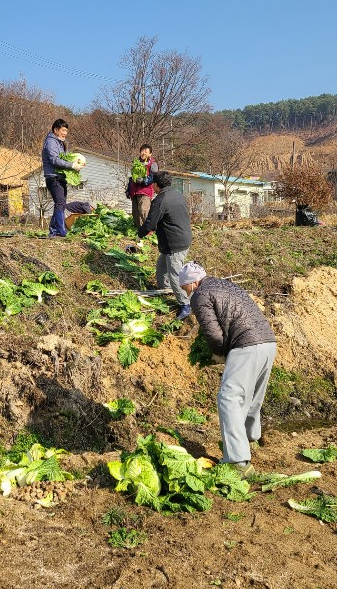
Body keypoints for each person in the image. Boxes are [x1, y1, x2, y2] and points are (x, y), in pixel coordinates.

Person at [178, 261, 276, 477]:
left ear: (192, 283)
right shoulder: (225, 285)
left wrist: (220, 353)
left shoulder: (200, 295)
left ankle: (238, 461)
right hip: (268, 342)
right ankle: (251, 438)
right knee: (251, 395)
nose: (185, 292)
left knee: (228, 397)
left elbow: (212, 333)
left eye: (184, 287)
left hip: (246, 345)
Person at [137, 170, 192, 320]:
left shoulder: (161, 200)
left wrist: (139, 235)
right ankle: (165, 289)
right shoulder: (177, 195)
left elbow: (150, 224)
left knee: (175, 275)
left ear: (155, 184)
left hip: (175, 243)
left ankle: (185, 305)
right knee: (162, 266)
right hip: (182, 238)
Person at [41, 118, 85, 238]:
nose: (65, 133)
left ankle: (54, 230)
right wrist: (72, 165)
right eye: (63, 130)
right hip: (53, 177)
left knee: (61, 203)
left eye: (66, 131)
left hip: (60, 177)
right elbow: (55, 160)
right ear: (56, 130)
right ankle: (60, 230)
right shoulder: (51, 142)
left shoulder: (60, 142)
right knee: (60, 203)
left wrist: (76, 163)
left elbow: (64, 158)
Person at [126, 143, 158, 229]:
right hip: (135, 191)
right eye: (142, 151)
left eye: (146, 151)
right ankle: (140, 230)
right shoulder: (136, 163)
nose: (143, 153)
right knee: (135, 213)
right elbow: (132, 177)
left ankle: (150, 230)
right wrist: (128, 189)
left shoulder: (152, 164)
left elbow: (154, 177)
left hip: (145, 191)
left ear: (150, 154)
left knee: (143, 210)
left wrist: (144, 181)